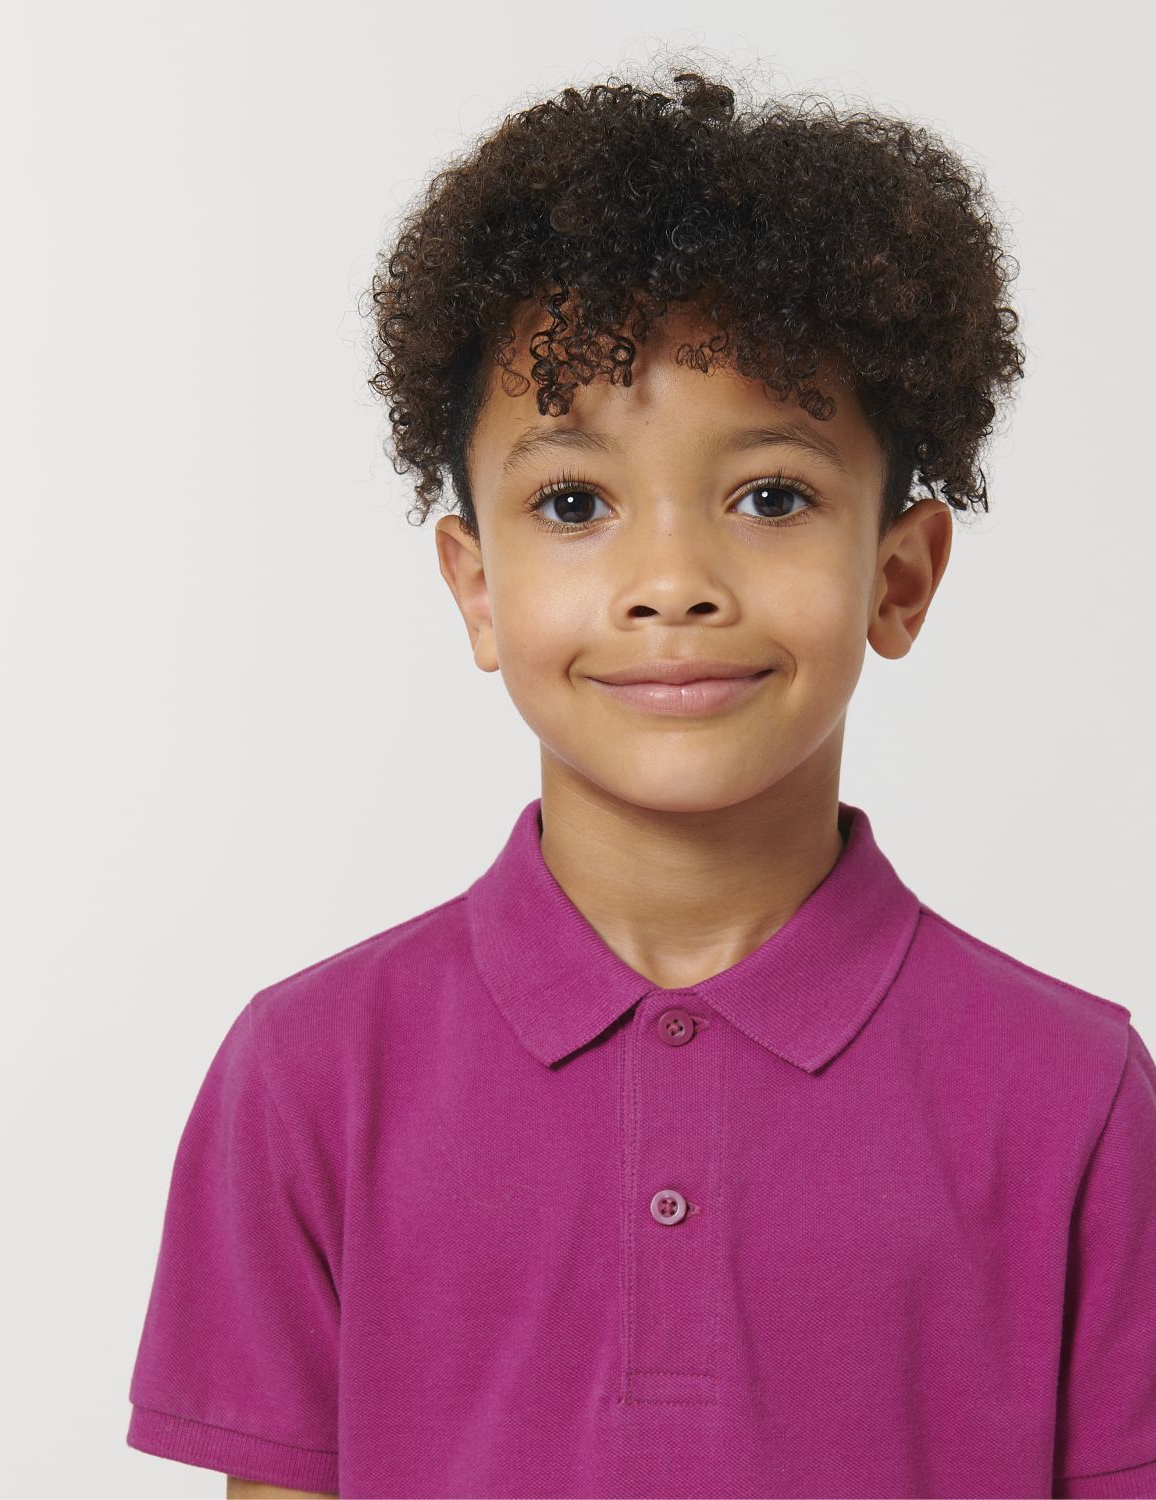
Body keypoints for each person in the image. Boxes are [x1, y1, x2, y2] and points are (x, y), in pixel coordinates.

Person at [125, 60, 1156, 1500]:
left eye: (772, 496)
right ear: (475, 588)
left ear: (901, 576)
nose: (673, 580)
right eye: (575, 502)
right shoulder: (308, 1077)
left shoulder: (1076, 1095)